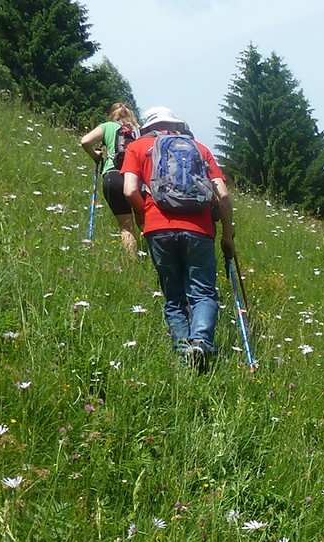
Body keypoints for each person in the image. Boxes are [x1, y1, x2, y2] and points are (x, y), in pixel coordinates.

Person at [120, 106, 234, 373]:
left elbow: (129, 190)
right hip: (200, 228)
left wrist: (145, 212)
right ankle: (202, 343)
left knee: (174, 297)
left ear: (148, 127)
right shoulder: (200, 149)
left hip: (158, 228)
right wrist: (228, 235)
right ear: (175, 126)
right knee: (203, 292)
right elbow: (224, 196)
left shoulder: (138, 148)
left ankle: (184, 356)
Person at [79, 103, 141, 258]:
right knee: (145, 223)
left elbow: (85, 141)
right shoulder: (139, 130)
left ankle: (131, 266)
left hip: (113, 176)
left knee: (126, 227)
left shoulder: (107, 126)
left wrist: (96, 156)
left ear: (113, 115)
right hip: (135, 179)